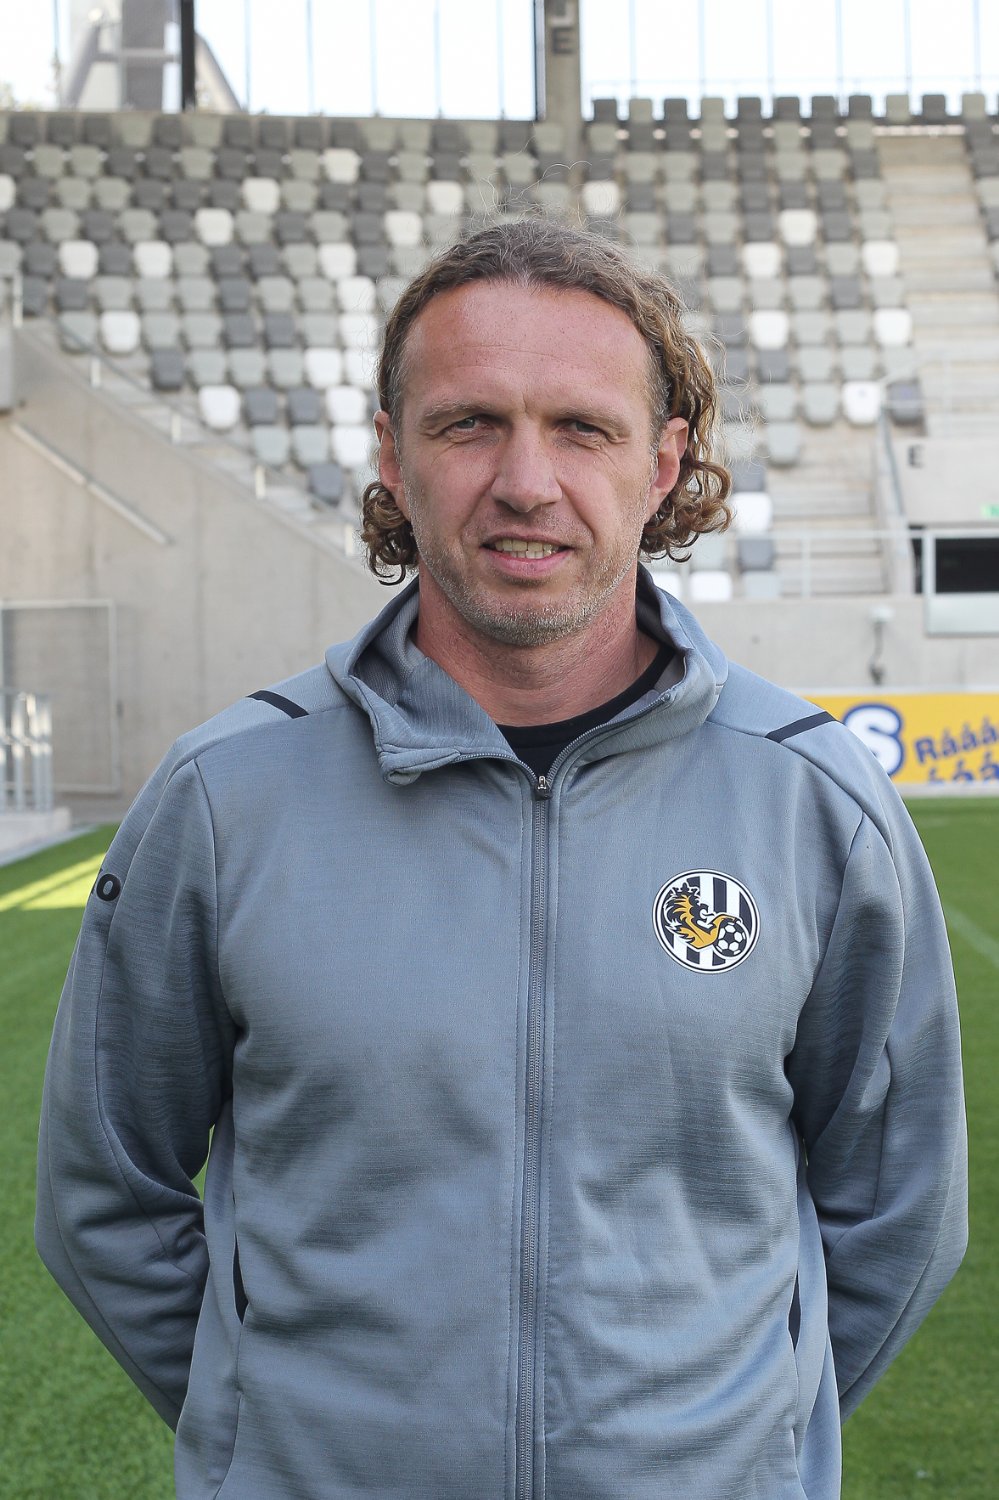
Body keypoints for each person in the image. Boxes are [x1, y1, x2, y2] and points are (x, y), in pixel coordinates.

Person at [36, 218, 967, 1500]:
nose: (527, 482)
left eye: (583, 429)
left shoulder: (814, 801)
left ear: (662, 464)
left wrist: (736, 1448)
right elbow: (106, 1188)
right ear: (393, 455)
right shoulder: (224, 798)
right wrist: (275, 1433)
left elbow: (899, 1207)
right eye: (470, 423)